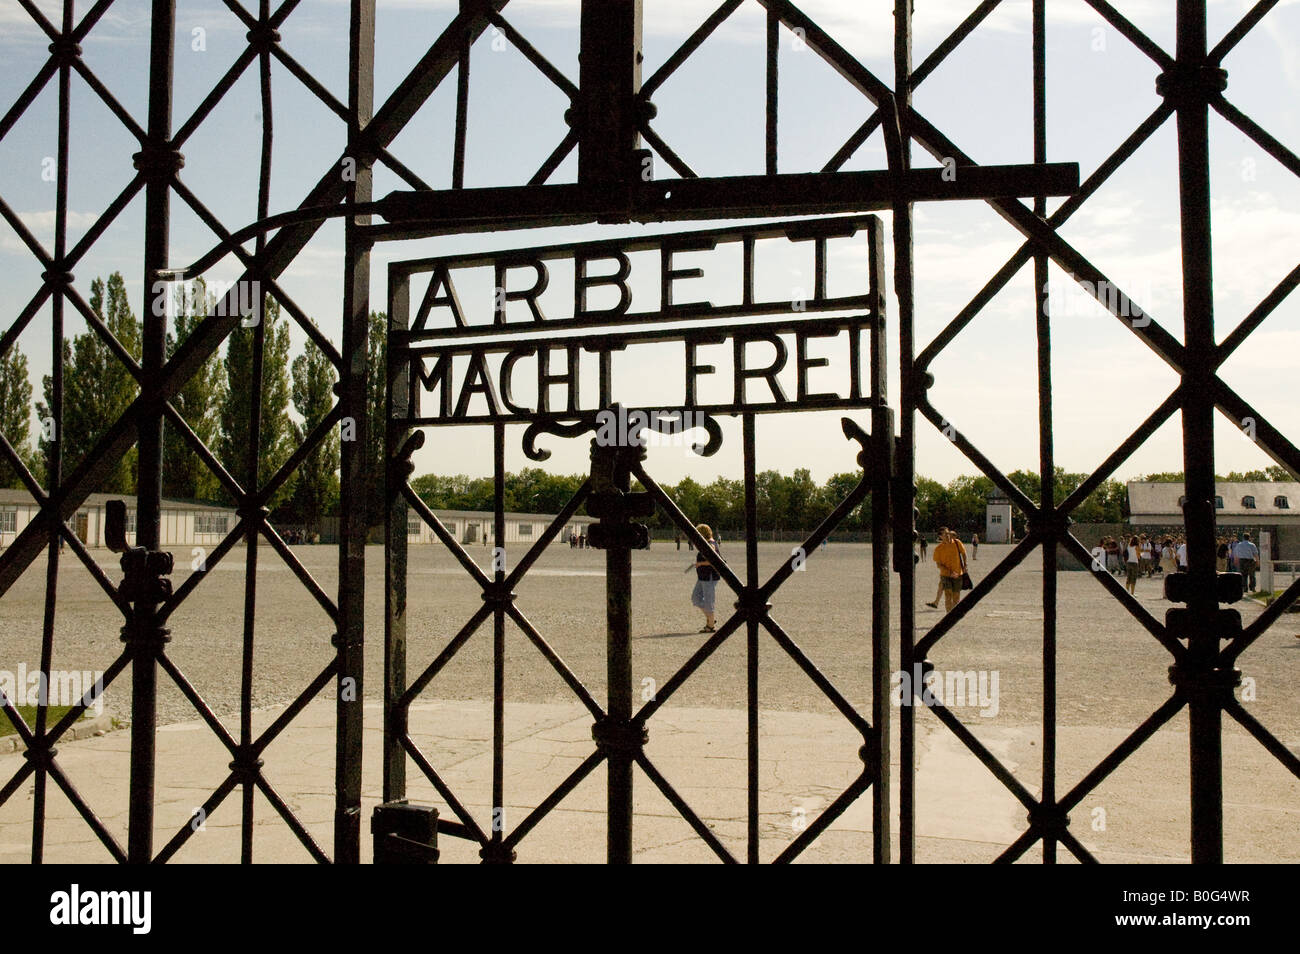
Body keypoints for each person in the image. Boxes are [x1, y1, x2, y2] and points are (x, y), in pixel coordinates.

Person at [689, 523, 723, 632]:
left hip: (709, 576)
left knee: (709, 600)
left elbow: (714, 560)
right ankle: (711, 618)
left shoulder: (710, 544)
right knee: (695, 598)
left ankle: (711, 625)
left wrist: (700, 564)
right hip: (703, 576)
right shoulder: (707, 543)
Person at [931, 528, 968, 613]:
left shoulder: (957, 543)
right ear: (940, 536)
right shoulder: (938, 549)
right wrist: (949, 572)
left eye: (948, 533)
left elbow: (964, 553)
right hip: (945, 575)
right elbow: (938, 564)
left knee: (956, 597)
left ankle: (954, 614)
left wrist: (965, 565)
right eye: (945, 534)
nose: (948, 535)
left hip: (958, 574)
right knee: (948, 595)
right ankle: (948, 616)